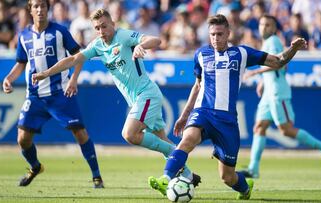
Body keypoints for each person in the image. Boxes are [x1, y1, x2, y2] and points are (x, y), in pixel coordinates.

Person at [32, 8, 201, 190]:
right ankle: (189, 175)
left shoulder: (124, 36)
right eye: (97, 28)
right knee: (162, 139)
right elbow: (73, 59)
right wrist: (47, 73)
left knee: (129, 134)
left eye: (104, 26)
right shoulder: (97, 45)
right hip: (138, 99)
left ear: (113, 24)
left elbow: (156, 40)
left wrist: (141, 45)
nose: (101, 31)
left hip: (147, 94)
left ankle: (173, 157)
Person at [147, 14, 307, 200]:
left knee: (227, 176)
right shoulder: (201, 54)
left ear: (228, 33)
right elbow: (198, 85)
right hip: (203, 112)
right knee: (187, 140)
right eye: (212, 34)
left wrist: (293, 49)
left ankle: (245, 188)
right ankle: (166, 178)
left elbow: (278, 62)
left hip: (227, 121)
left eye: (220, 34)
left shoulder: (242, 53)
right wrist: (185, 115)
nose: (216, 38)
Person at [2, 0, 104, 188]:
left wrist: (73, 79)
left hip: (60, 93)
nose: (40, 10)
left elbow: (78, 56)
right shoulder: (24, 36)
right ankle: (35, 167)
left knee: (80, 133)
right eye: (36, 6)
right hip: (35, 96)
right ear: (30, 10)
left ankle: (97, 176)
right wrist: (9, 79)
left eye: (43, 6)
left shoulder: (60, 31)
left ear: (48, 9)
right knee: (22, 139)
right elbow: (21, 63)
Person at [241, 15, 321, 178]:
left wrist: (256, 72)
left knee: (286, 130)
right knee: (259, 127)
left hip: (277, 92)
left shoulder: (274, 41)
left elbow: (280, 62)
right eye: (262, 24)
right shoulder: (267, 42)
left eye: (268, 25)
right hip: (269, 92)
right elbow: (277, 66)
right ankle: (253, 169)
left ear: (274, 28)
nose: (263, 27)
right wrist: (263, 81)